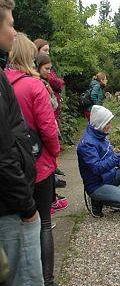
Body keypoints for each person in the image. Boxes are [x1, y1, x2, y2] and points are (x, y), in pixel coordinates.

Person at [5, 32, 61, 286]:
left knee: (11, 227)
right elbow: (49, 130)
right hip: (37, 168)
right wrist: (54, 154)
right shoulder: (34, 86)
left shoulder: (4, 83)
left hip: (9, 171)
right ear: (31, 58)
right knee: (43, 224)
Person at [0, 0, 44, 286]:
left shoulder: (5, 77)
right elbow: (4, 154)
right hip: (12, 204)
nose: (15, 32)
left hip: (12, 197)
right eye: (11, 25)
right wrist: (27, 206)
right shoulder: (30, 85)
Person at [77, 105, 120, 218]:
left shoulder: (100, 134)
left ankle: (115, 201)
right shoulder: (87, 144)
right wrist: (119, 155)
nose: (110, 126)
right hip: (96, 185)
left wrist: (118, 163)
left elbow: (107, 154)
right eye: (107, 123)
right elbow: (97, 168)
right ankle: (97, 202)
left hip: (108, 176)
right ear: (100, 123)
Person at [36, 52, 69, 213]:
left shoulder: (43, 83)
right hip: (44, 135)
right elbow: (50, 108)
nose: (50, 72)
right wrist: (55, 147)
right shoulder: (39, 85)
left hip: (44, 133)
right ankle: (47, 204)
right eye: (47, 68)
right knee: (46, 169)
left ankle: (50, 200)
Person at [33, 39, 65, 127]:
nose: (47, 53)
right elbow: (57, 83)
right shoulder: (36, 72)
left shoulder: (46, 66)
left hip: (53, 113)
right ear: (36, 50)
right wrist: (59, 81)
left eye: (48, 50)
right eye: (45, 50)